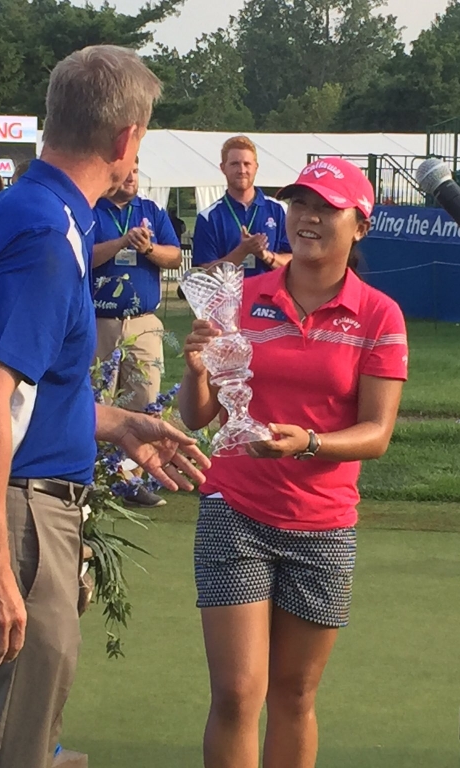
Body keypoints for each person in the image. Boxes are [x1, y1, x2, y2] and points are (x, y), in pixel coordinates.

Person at [0, 45, 210, 768]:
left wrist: (112, 422)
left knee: (9, 740)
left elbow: (19, 388)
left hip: (3, 501)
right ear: (125, 140)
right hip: (13, 517)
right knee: (3, 750)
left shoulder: (17, 208)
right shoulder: (49, 234)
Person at [178, 157, 408, 768]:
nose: (305, 217)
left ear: (359, 224)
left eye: (323, 207)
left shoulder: (380, 315)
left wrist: (308, 442)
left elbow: (377, 433)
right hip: (237, 507)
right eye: (298, 204)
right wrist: (195, 366)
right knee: (235, 694)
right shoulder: (242, 297)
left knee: (296, 696)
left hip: (323, 522)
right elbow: (199, 416)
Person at [92, 157, 183, 508]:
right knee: (98, 402)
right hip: (100, 321)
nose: (131, 177)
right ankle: (96, 479)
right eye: (125, 170)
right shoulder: (92, 208)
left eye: (135, 170)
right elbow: (84, 256)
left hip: (143, 321)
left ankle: (131, 480)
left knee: (145, 399)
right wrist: (121, 243)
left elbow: (175, 256)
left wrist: (146, 248)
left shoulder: (152, 211)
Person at [193, 135, 292, 278]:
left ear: (256, 167)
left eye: (247, 164)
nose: (242, 170)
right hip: (229, 299)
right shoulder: (209, 217)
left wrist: (266, 255)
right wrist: (242, 251)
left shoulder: (279, 210)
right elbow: (206, 273)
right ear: (223, 168)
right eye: (234, 164)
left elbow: (296, 262)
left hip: (270, 299)